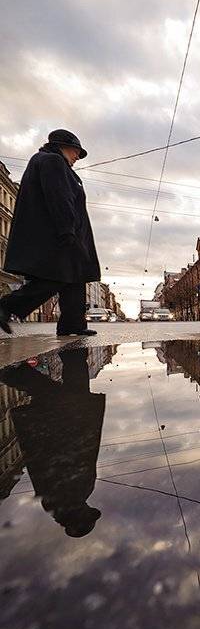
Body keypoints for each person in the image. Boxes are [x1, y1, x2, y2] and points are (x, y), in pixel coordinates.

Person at [0, 129, 100, 336]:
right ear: (63, 146)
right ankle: (6, 307)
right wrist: (67, 230)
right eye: (76, 151)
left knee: (75, 276)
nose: (77, 157)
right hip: (58, 233)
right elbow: (59, 197)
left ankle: (73, 324)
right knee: (57, 277)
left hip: (61, 232)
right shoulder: (52, 161)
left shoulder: (50, 162)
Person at [0, 348, 105, 537]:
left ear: (79, 517)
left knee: (58, 392)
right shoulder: (60, 502)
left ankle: (12, 372)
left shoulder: (67, 499)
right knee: (73, 388)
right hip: (66, 427)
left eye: (87, 514)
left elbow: (71, 459)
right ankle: (73, 354)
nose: (88, 509)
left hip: (62, 428)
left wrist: (80, 426)